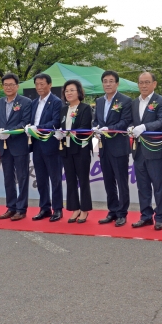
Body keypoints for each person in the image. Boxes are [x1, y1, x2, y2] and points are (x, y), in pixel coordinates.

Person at [130, 72, 162, 231]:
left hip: (156, 149)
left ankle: (160, 217)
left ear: (154, 84)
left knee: (158, 185)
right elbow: (132, 121)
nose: (144, 85)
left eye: (147, 82)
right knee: (143, 186)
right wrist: (130, 127)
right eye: (141, 82)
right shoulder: (134, 102)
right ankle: (145, 216)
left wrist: (145, 127)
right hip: (138, 150)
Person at [93, 70, 133, 227]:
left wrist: (108, 128)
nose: (107, 84)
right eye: (105, 81)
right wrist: (95, 128)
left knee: (121, 182)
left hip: (119, 147)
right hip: (103, 147)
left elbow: (126, 121)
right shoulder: (99, 101)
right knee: (108, 182)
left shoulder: (125, 100)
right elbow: (96, 120)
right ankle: (112, 210)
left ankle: (122, 213)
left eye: (111, 81)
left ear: (117, 83)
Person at [0, 73, 33, 221]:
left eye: (11, 84)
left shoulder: (26, 102)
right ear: (3, 87)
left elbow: (25, 121)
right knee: (8, 177)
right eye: (6, 85)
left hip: (19, 144)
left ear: (17, 86)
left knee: (22, 177)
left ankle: (21, 209)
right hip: (3, 145)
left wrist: (9, 132)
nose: (8, 87)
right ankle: (11, 207)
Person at [54, 80, 93, 223]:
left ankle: (84, 209)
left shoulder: (85, 108)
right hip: (66, 149)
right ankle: (74, 208)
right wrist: (58, 132)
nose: (69, 93)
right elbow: (59, 125)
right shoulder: (63, 110)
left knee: (83, 180)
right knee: (70, 180)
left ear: (79, 92)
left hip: (80, 149)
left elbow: (85, 128)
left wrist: (70, 132)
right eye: (66, 91)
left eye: (72, 90)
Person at [29, 73, 64, 222]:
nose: (39, 87)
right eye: (37, 84)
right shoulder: (34, 103)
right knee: (41, 179)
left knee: (55, 179)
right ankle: (44, 207)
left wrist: (38, 127)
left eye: (42, 84)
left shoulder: (56, 102)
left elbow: (56, 122)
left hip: (51, 145)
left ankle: (57, 209)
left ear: (49, 85)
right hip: (36, 145)